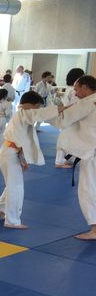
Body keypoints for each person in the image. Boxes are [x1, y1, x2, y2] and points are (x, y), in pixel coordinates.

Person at [0, 91, 62, 229]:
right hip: (9, 153)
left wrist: (23, 159)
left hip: (10, 152)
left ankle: (1, 207)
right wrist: (60, 109)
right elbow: (38, 114)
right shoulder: (23, 113)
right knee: (16, 187)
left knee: (13, 184)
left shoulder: (22, 115)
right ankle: (12, 220)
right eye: (37, 107)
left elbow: (22, 140)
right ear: (32, 105)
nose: (38, 110)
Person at [50, 76, 96, 240]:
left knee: (88, 189)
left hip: (92, 153)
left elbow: (63, 120)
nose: (75, 93)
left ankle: (95, 230)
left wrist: (40, 113)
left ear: (85, 87)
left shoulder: (87, 103)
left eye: (76, 89)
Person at [55, 68, 85, 168]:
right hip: (70, 116)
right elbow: (75, 105)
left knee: (71, 139)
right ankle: (59, 162)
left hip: (69, 116)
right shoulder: (74, 90)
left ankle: (67, 159)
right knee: (64, 139)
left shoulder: (70, 89)